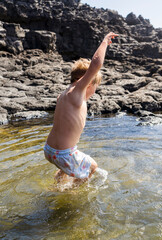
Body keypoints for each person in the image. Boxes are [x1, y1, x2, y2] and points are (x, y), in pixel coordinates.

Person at [44, 32, 118, 185]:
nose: (95, 90)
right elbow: (96, 64)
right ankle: (72, 194)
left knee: (70, 163)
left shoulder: (64, 94)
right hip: (63, 154)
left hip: (50, 150)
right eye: (95, 86)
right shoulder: (77, 92)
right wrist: (104, 41)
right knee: (92, 166)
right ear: (88, 83)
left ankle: (57, 185)